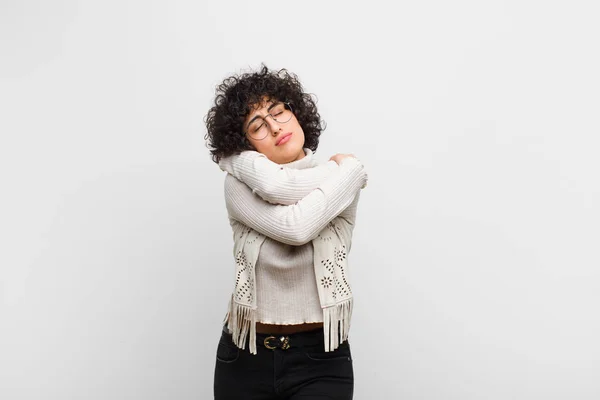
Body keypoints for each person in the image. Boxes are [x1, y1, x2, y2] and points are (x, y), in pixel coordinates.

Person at [204, 64, 368, 399]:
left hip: (320, 359)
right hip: (244, 356)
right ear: (244, 144)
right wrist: (347, 169)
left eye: (278, 112)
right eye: (257, 126)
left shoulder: (343, 181)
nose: (276, 126)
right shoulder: (238, 187)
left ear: (297, 113)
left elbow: (293, 210)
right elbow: (292, 224)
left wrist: (345, 173)